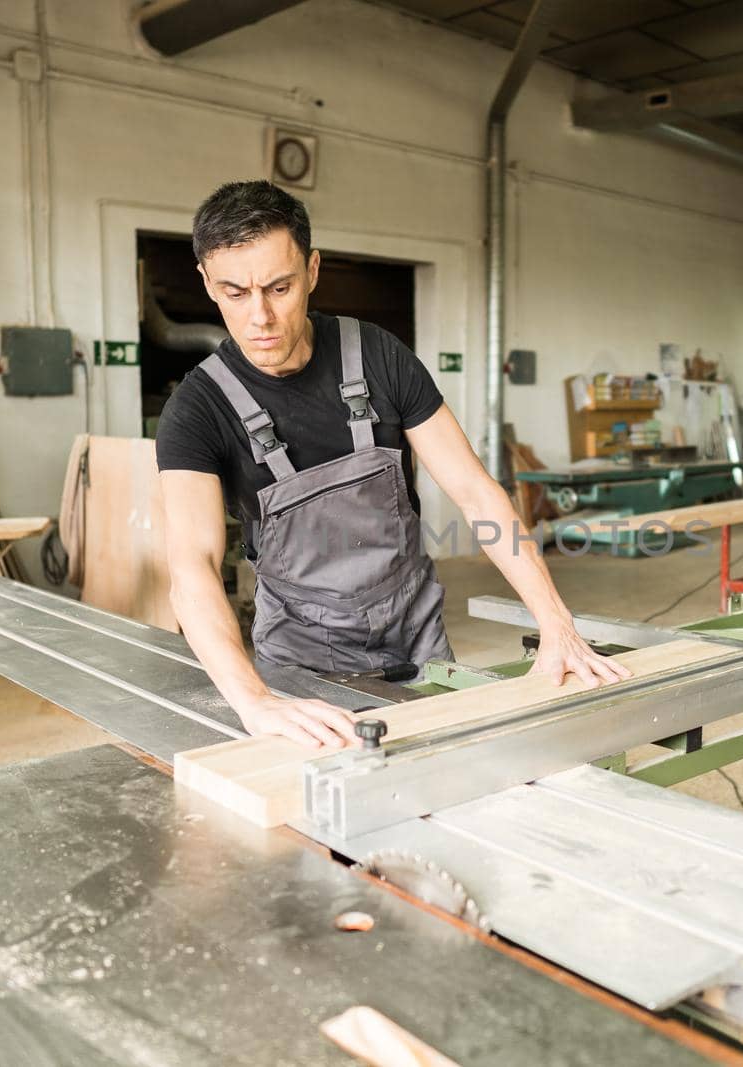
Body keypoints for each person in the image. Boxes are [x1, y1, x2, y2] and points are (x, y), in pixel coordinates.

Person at [156, 181, 629, 750]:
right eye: (234, 293)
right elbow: (193, 567)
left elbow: (476, 493)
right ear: (207, 282)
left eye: (279, 287)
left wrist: (555, 624)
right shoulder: (197, 409)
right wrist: (255, 700)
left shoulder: (377, 355)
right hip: (301, 664)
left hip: (416, 638)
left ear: (312, 270)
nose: (260, 316)